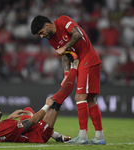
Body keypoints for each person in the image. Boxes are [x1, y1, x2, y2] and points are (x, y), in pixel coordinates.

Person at [31, 15, 106, 145]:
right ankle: (99, 136)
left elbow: (77, 34)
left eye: (41, 33)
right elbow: (65, 56)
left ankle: (82, 136)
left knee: (79, 97)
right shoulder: (51, 39)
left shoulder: (63, 21)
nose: (42, 36)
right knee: (90, 99)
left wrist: (65, 47)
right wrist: (66, 74)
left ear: (47, 25)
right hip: (84, 62)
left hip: (88, 59)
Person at [0, 58, 79, 143]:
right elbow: (33, 121)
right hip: (40, 135)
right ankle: (74, 67)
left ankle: (57, 136)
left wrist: (9, 118)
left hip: (20, 131)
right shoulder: (11, 127)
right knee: (59, 97)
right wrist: (47, 105)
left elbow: (2, 131)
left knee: (26, 111)